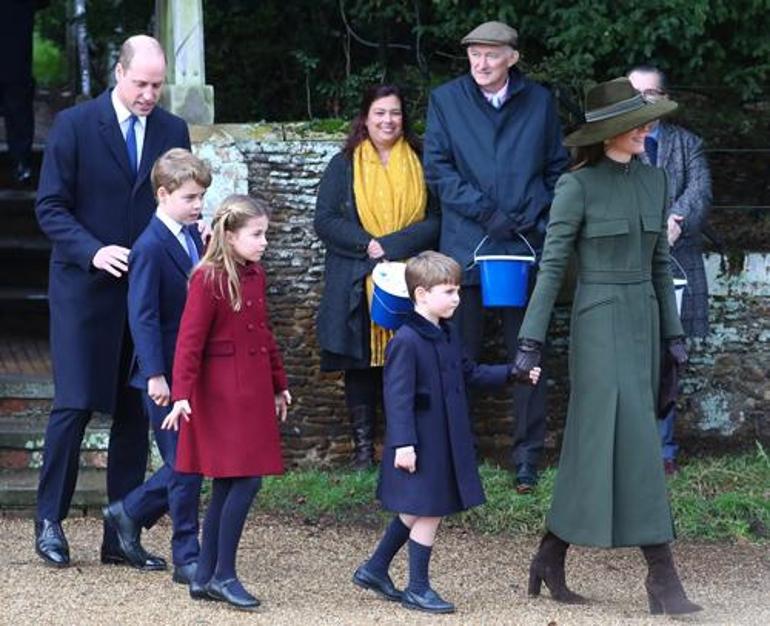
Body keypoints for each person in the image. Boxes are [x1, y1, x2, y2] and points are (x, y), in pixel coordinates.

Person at [514, 77, 701, 615]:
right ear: (610, 133)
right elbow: (552, 267)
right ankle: (662, 577)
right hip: (598, 325)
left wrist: (674, 335)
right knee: (640, 441)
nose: (646, 129)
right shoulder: (576, 187)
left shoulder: (656, 181)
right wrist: (530, 339)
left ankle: (549, 554)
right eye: (636, 122)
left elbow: (660, 266)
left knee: (595, 444)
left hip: (643, 321)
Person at [34, 35, 191, 568]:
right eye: (141, 83)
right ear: (118, 73)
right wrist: (93, 251)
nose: (149, 94)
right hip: (83, 289)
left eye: (157, 84)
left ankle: (120, 535)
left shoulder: (173, 131)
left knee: (133, 413)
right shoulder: (75, 125)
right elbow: (51, 207)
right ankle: (49, 522)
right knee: (74, 405)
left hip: (145, 295)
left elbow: (179, 206)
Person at [423, 20, 569, 493]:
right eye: (474, 55)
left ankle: (527, 456)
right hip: (466, 249)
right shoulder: (446, 101)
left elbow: (556, 169)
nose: (481, 64)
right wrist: (486, 212)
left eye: (490, 55)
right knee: (457, 357)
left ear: (512, 57)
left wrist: (530, 213)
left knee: (527, 354)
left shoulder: (540, 102)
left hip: (523, 248)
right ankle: (458, 452)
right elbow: (438, 170)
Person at [352, 251, 539, 614]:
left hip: (444, 436)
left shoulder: (446, 334)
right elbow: (398, 398)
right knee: (429, 509)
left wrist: (512, 373)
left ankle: (375, 569)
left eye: (456, 291)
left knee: (417, 508)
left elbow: (468, 374)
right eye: (449, 291)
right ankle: (417, 588)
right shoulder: (406, 341)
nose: (457, 298)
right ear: (421, 294)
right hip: (421, 440)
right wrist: (403, 444)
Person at [162, 195, 291, 611]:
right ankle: (223, 574)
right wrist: (181, 396)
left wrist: (279, 382)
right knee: (246, 480)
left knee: (229, 484)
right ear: (230, 235)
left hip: (251, 392)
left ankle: (205, 576)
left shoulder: (254, 275)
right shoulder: (208, 278)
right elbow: (188, 343)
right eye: (257, 234)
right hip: (219, 397)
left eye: (265, 233)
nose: (264, 241)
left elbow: (262, 332)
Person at [314, 84, 439, 469]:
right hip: (358, 278)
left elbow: (437, 219)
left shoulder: (423, 160)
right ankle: (364, 453)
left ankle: (406, 446)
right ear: (365, 118)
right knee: (361, 366)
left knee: (409, 365)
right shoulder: (344, 164)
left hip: (412, 275)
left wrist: (390, 244)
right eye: (380, 113)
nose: (388, 120)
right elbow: (325, 221)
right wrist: (367, 244)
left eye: (395, 113)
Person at [100, 149, 210, 583]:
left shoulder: (190, 236)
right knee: (186, 463)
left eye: (202, 196)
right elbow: (141, 315)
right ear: (163, 195)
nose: (199, 204)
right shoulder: (148, 246)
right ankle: (187, 554)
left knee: (190, 461)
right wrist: (154, 375)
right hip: (162, 374)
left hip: (191, 370)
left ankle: (128, 512)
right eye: (190, 197)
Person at [628, 65, 713, 474]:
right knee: (629, 357)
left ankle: (663, 449)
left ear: (665, 99)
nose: (642, 100)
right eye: (633, 93)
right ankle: (628, 446)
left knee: (669, 358)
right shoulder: (614, 144)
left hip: (679, 261)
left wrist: (676, 219)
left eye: (649, 93)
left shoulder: (688, 144)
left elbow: (700, 191)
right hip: (627, 263)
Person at [0, 0, 42, 184]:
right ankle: (21, 163)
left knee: (17, 104)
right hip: (15, 53)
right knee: (17, 106)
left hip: (15, 51)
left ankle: (21, 163)